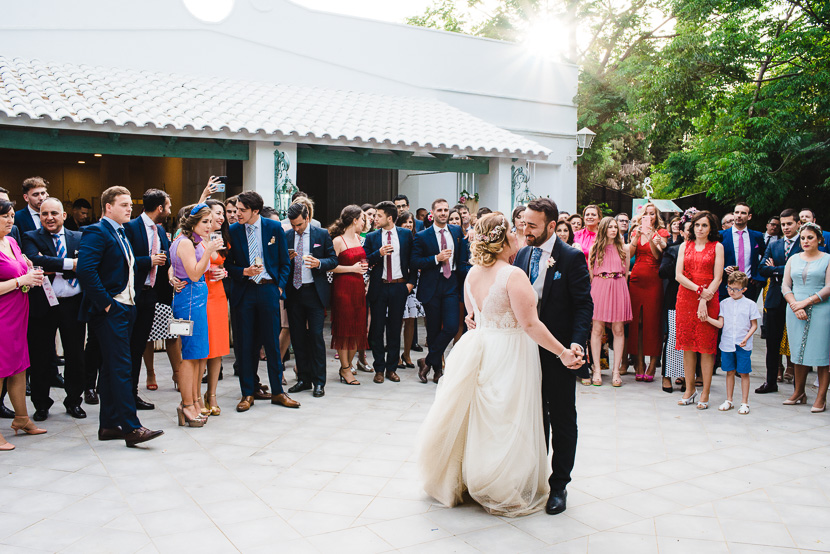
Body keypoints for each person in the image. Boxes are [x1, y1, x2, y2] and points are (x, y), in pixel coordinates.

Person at [417, 212, 582, 516]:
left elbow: (473, 316)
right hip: (510, 351)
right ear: (505, 238)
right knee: (506, 418)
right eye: (514, 230)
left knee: (483, 418)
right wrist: (562, 352)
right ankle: (499, 483)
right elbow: (530, 325)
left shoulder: (473, 274)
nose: (520, 233)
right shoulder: (512, 275)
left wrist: (474, 318)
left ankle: (473, 477)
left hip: (481, 348)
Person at [510, 198, 592, 515]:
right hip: (525, 350)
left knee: (561, 418)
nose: (525, 229)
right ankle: (535, 479)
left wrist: (576, 343)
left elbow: (584, 305)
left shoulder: (571, 258)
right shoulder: (522, 253)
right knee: (532, 416)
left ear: (552, 226)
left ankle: (559, 486)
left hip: (559, 351)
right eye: (523, 223)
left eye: (532, 225)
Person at [76, 186, 164, 447]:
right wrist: (107, 305)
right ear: (108, 207)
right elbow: (86, 271)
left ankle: (109, 425)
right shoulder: (96, 231)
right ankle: (131, 427)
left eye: (130, 204)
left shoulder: (121, 232)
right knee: (122, 368)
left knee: (111, 370)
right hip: (111, 310)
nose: (130, 209)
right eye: (124, 204)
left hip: (128, 307)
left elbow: (128, 267)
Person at [225, 191, 298, 412]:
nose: (237, 214)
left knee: (272, 344)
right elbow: (227, 265)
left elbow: (285, 262)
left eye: (242, 210)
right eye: (236, 209)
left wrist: (278, 287)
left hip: (268, 289)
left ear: (255, 211)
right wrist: (243, 271)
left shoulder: (274, 228)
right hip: (244, 291)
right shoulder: (234, 230)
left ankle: (278, 392)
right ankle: (247, 393)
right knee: (245, 345)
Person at [22, 197, 87, 420]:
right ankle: (41, 404)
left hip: (73, 305)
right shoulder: (30, 237)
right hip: (43, 306)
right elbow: (34, 261)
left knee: (75, 356)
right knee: (40, 357)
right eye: (44, 214)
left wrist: (49, 262)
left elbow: (88, 263)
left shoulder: (79, 237)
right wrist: (71, 264)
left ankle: (74, 401)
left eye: (54, 213)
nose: (49, 218)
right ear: (39, 217)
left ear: (63, 216)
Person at [169, 204, 221, 426]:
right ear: (193, 223)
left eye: (211, 221)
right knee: (190, 355)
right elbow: (193, 273)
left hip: (197, 298)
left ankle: (194, 401)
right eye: (205, 222)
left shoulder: (192, 241)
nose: (209, 226)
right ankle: (187, 405)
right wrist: (209, 251)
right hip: (189, 299)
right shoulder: (185, 242)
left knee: (198, 353)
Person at [0, 199, 46, 449]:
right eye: (4, 217)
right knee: (0, 370)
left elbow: (19, 273)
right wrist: (21, 281)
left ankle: (22, 418)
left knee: (19, 367)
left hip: (18, 313)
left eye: (11, 216)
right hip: (2, 317)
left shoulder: (13, 242)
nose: (10, 221)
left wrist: (28, 274)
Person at [124, 189, 172, 409]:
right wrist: (149, 260)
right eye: (168, 207)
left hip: (151, 294)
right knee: (128, 347)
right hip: (131, 295)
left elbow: (167, 258)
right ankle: (123, 393)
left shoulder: (160, 230)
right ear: (160, 208)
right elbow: (125, 259)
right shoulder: (131, 227)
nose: (169, 211)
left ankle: (132, 394)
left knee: (140, 344)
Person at [284, 202, 337, 396]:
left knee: (315, 337)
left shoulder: (321, 234)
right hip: (294, 292)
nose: (296, 229)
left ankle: (319, 381)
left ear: (307, 218)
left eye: (299, 224)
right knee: (297, 338)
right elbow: (280, 263)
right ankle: (303, 379)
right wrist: (285, 259)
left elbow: (333, 259)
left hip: (314, 292)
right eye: (293, 225)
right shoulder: (287, 235)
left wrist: (319, 263)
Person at [412, 198, 468, 383]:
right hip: (432, 284)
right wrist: (436, 258)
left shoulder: (456, 231)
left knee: (451, 326)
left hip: (451, 282)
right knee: (434, 330)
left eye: (446, 210)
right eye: (440, 210)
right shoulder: (422, 236)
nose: (443, 213)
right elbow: (415, 262)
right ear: (432, 212)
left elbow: (462, 256)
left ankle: (426, 361)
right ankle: (437, 371)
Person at [675, 210, 724, 410]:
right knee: (687, 345)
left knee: (706, 347)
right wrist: (698, 291)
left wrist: (705, 297)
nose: (700, 229)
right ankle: (689, 389)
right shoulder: (684, 246)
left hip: (710, 297)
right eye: (697, 225)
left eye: (704, 225)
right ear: (692, 227)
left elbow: (718, 277)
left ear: (711, 227)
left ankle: (705, 391)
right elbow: (678, 275)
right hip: (686, 297)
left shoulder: (717, 247)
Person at [364, 201, 416, 384]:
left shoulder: (405, 235)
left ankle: (391, 368)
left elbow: (412, 260)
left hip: (399, 287)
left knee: (394, 329)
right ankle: (379, 368)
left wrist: (410, 284)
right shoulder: (372, 237)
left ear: (389, 218)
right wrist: (378, 253)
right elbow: (365, 261)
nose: (375, 218)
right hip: (379, 286)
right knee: (377, 330)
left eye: (378, 215)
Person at [781, 222, 830, 412]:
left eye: (810, 237)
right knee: (797, 353)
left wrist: (806, 302)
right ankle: (799, 392)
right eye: (802, 238)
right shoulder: (793, 259)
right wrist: (795, 304)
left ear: (819, 239)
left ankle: (821, 397)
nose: (806, 241)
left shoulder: (827, 259)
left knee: (820, 355)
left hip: (821, 309)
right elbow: (786, 285)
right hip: (794, 309)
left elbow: (828, 287)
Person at [756, 208, 801, 394]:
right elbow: (762, 269)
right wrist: (779, 270)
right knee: (772, 343)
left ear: (798, 223)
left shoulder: (805, 243)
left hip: (798, 298)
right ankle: (770, 381)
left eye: (789, 223)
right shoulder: (775, 244)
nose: (786, 227)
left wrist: (777, 268)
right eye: (783, 224)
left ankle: (799, 385)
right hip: (775, 298)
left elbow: (801, 267)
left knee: (798, 342)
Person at [707, 271, 760, 415]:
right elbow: (720, 324)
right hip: (727, 343)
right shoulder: (724, 303)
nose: (731, 292)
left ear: (744, 289)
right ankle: (729, 400)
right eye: (729, 288)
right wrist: (707, 318)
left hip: (743, 344)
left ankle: (744, 402)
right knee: (729, 371)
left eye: (735, 289)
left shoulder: (750, 304)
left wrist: (746, 338)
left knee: (743, 372)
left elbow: (754, 324)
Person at [588, 217, 632, 387]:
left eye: (615, 227)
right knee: (597, 329)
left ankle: (616, 371)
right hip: (599, 286)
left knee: (618, 329)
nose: (614, 229)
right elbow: (591, 274)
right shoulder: (595, 248)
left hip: (619, 286)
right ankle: (597, 370)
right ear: (604, 229)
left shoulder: (624, 249)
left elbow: (626, 272)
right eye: (610, 227)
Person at [628, 203, 669, 381]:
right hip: (636, 278)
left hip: (654, 280)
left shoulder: (662, 233)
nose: (649, 217)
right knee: (637, 322)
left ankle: (653, 363)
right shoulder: (635, 231)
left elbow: (658, 255)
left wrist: (651, 235)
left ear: (656, 216)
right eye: (646, 214)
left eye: (652, 214)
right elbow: (629, 254)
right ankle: (638, 362)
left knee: (652, 321)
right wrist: (636, 236)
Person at [328, 205, 370, 372]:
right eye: (362, 219)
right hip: (342, 288)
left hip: (359, 287)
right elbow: (330, 267)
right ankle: (345, 368)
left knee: (358, 328)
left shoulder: (360, 239)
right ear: (354, 220)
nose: (364, 223)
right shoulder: (338, 241)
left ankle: (348, 365)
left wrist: (365, 279)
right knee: (344, 328)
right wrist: (352, 269)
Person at [203, 199, 231, 415]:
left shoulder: (222, 239)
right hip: (201, 295)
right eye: (217, 213)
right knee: (202, 348)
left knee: (218, 347)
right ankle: (195, 395)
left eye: (223, 213)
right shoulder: (195, 239)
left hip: (219, 295)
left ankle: (211, 394)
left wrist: (223, 272)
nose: (222, 217)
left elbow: (221, 265)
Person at [660, 216, 694, 393]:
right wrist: (678, 261)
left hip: (695, 299)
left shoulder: (702, 250)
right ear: (681, 232)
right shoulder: (672, 250)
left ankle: (685, 374)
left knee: (689, 339)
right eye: (687, 229)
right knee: (673, 336)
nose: (691, 232)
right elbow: (662, 272)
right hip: (675, 297)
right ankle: (666, 375)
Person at [719, 202, 765, 301]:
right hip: (726, 284)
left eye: (743, 213)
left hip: (749, 285)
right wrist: (723, 269)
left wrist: (757, 274)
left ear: (749, 216)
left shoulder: (757, 236)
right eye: (737, 212)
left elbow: (765, 256)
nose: (739, 215)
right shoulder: (721, 236)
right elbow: (713, 258)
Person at [396, 212, 423, 369]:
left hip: (413, 283)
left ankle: (406, 354)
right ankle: (396, 354)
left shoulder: (416, 240)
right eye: (405, 222)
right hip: (398, 282)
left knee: (411, 319)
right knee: (397, 320)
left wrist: (412, 282)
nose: (408, 224)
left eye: (411, 222)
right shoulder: (396, 239)